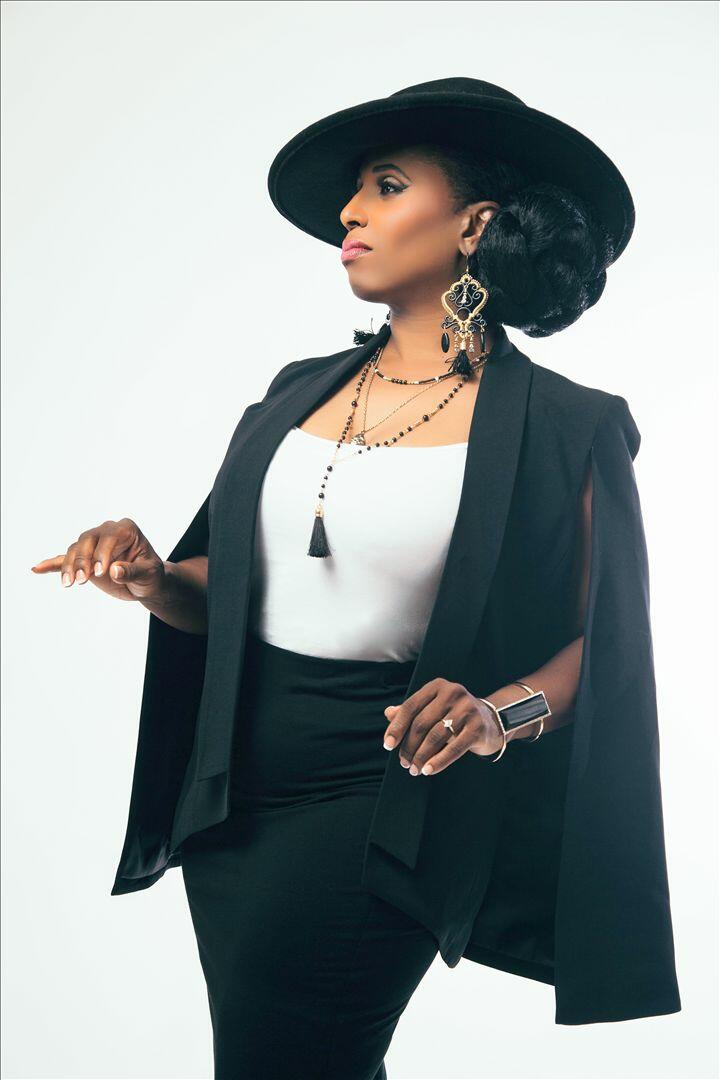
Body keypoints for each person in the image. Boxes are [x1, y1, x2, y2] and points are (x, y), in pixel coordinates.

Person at [32, 78, 681, 1079]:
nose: (349, 211)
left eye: (386, 185)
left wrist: (494, 714)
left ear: (476, 224)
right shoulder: (294, 392)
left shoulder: (568, 426)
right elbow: (234, 595)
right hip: (231, 794)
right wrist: (154, 578)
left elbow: (608, 645)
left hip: (386, 794)